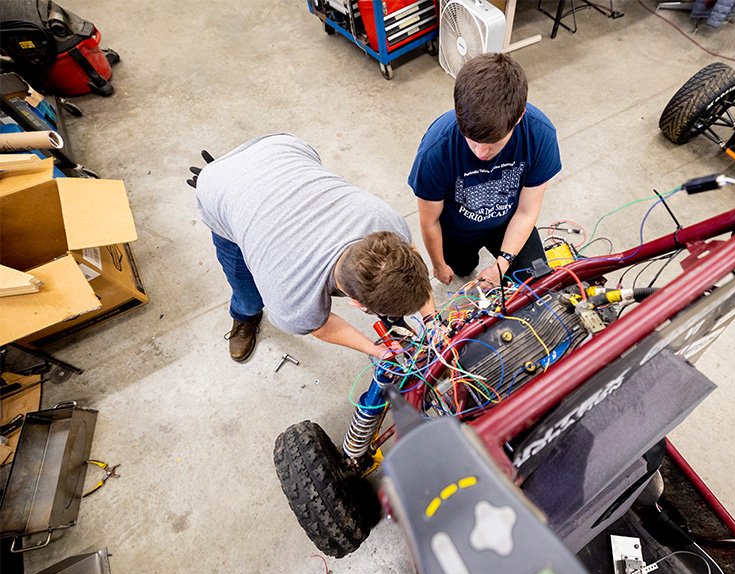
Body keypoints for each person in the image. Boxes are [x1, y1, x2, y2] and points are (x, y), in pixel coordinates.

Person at [189, 133, 434, 363]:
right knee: (248, 295)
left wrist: (432, 320)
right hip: (223, 183)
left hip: (284, 148)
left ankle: (392, 312)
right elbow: (321, 327)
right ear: (357, 304)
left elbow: (411, 258)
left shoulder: (387, 223)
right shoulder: (290, 299)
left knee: (383, 288)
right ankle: (245, 316)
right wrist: (376, 350)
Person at [408, 53, 562, 288]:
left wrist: (501, 265)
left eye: (493, 142)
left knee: (537, 280)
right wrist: (438, 265)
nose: (480, 153)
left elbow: (527, 211)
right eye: (471, 139)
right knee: (461, 269)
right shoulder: (436, 149)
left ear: (519, 117)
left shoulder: (539, 135)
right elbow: (429, 221)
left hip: (508, 221)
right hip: (457, 229)